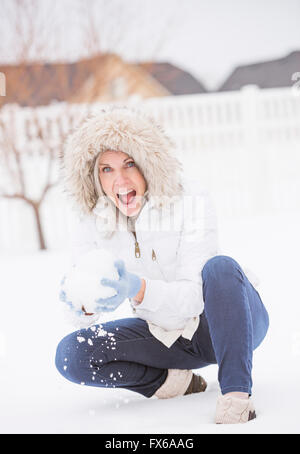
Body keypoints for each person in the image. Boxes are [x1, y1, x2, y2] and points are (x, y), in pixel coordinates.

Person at [55, 106, 269, 424]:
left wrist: (138, 289)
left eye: (129, 163)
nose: (120, 179)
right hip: (163, 335)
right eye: (106, 169)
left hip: (226, 324)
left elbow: (195, 299)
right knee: (73, 354)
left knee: (220, 268)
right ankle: (175, 383)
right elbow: (85, 312)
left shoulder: (190, 200)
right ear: (94, 176)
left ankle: (236, 397)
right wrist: (81, 303)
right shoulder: (92, 219)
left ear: (148, 163)